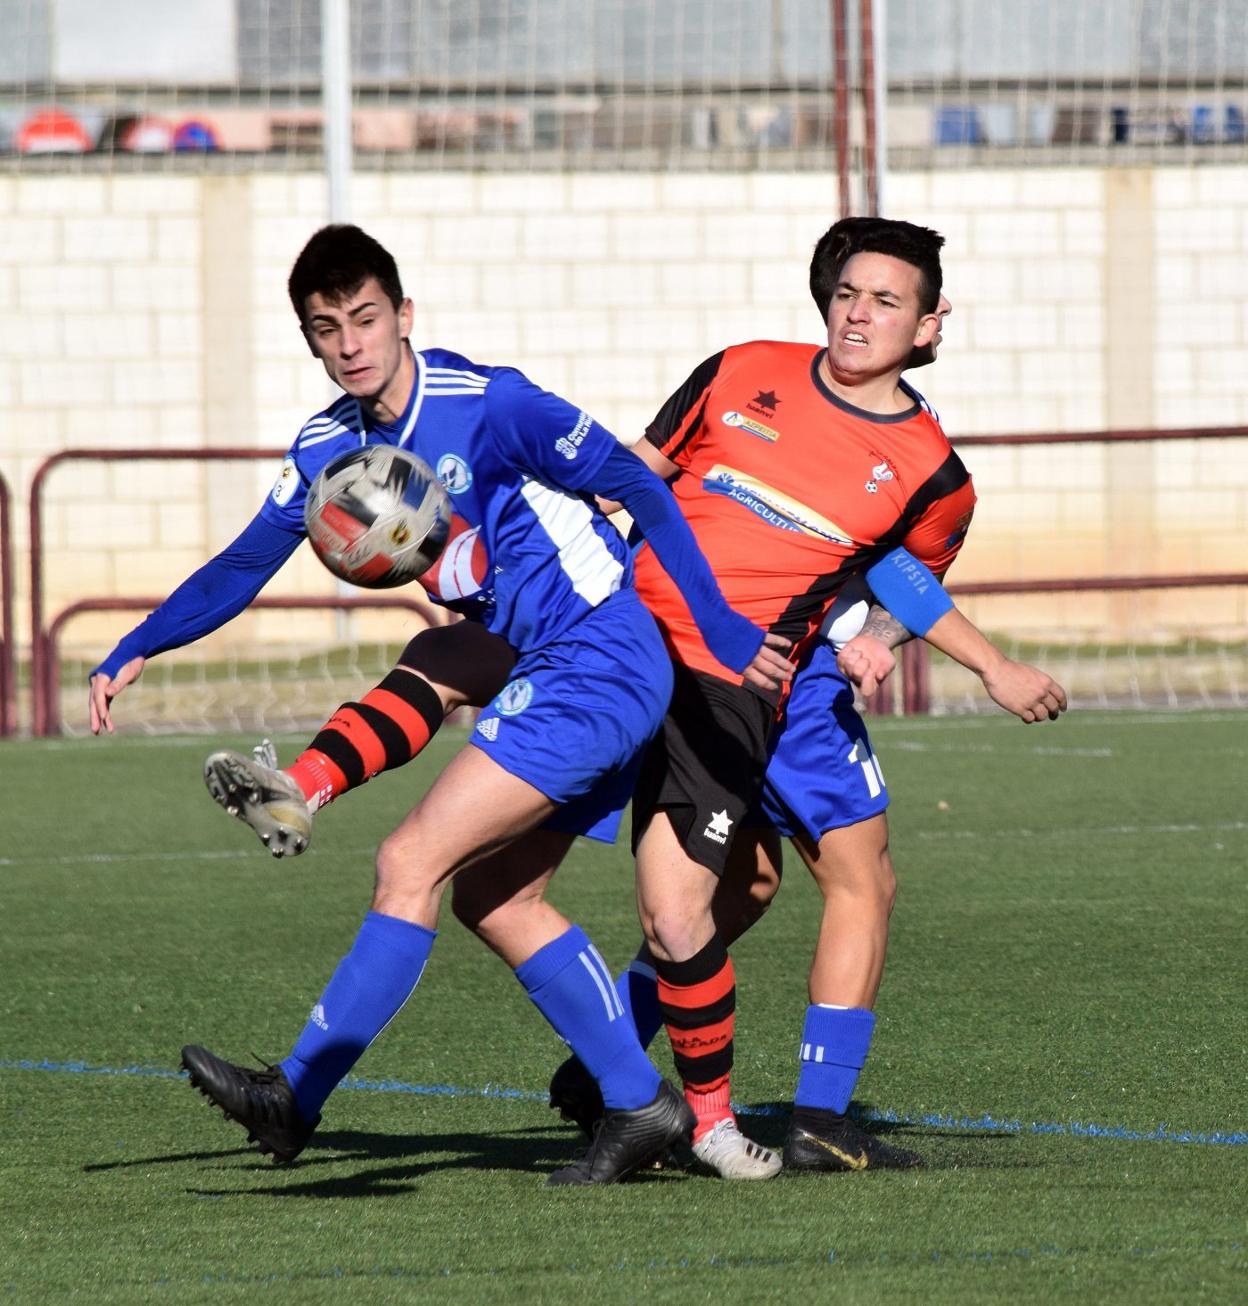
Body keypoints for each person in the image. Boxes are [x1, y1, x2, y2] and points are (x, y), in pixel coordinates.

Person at [89, 223, 799, 1184]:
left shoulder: (492, 404)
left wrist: (714, 624)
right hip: (527, 656)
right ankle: (639, 1104)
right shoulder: (328, 446)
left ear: (404, 316)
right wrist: (138, 645)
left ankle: (294, 1096)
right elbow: (244, 563)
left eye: (367, 319)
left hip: (601, 657)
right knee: (494, 895)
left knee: (409, 860)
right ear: (310, 340)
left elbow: (636, 480)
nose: (350, 345)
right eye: (326, 328)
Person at [544, 217, 1065, 1177]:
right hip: (684, 666)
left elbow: (906, 584)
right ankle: (797, 1113)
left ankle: (622, 1068)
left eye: (887, 301)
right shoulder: (740, 369)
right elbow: (633, 479)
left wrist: (883, 641)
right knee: (831, 883)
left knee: (757, 884)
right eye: (849, 295)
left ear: (929, 323)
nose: (860, 315)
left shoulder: (933, 473)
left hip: (788, 680)